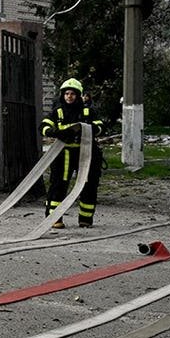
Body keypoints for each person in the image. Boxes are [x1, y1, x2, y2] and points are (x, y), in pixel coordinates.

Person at [39, 77, 104, 228]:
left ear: (78, 95)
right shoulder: (58, 112)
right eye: (67, 93)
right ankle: (54, 219)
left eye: (73, 94)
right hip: (63, 154)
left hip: (86, 154)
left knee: (89, 186)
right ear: (63, 95)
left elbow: (100, 126)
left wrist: (90, 130)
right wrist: (54, 132)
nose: (69, 96)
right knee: (58, 185)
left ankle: (85, 220)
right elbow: (43, 126)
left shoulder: (88, 111)